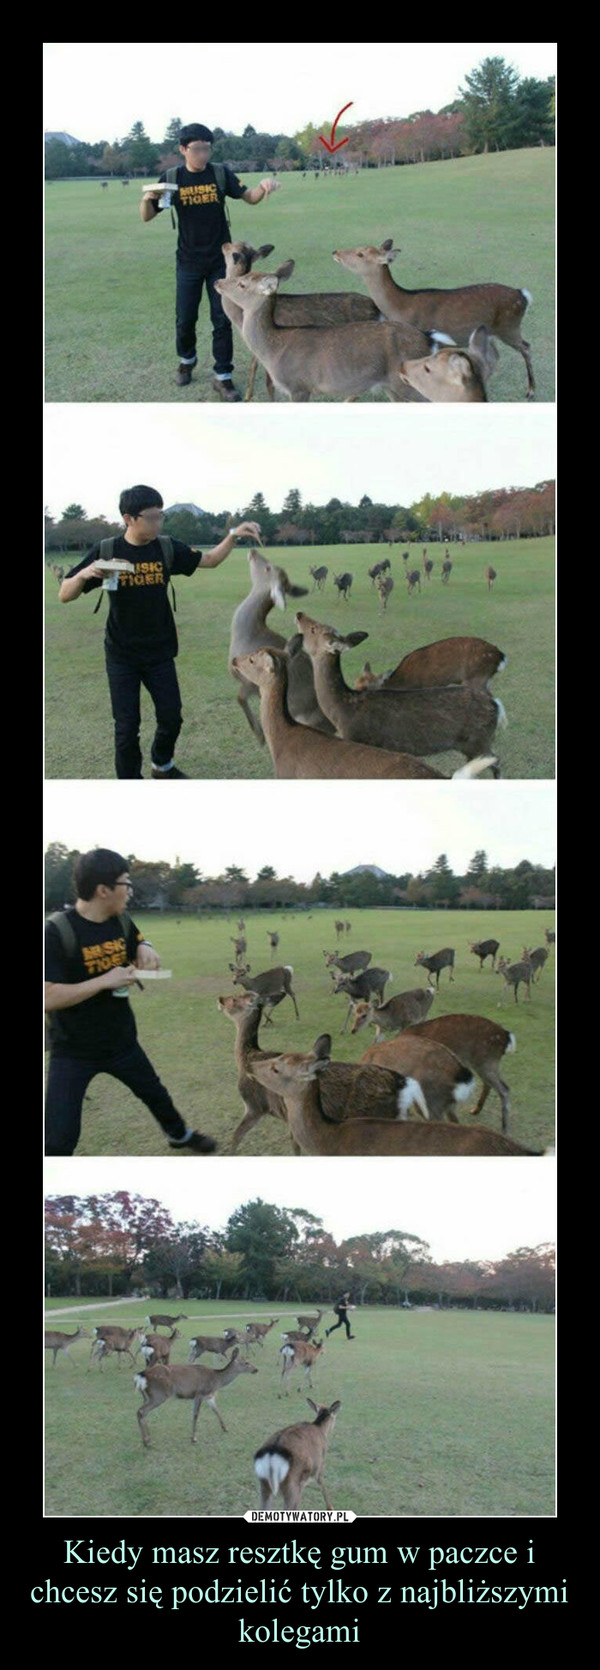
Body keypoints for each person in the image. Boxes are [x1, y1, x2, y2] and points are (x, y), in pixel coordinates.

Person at [59, 485, 260, 779]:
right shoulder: (107, 550)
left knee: (171, 717)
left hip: (160, 652)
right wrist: (86, 573)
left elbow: (210, 560)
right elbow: (65, 593)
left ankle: (161, 764)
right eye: (151, 517)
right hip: (121, 655)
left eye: (160, 516)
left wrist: (232, 535)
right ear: (129, 518)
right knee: (126, 729)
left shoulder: (166, 547)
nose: (158, 523)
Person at [45, 849, 216, 1157]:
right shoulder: (56, 932)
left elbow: (136, 940)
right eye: (126, 883)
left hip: (122, 1041)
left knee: (156, 1095)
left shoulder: (120, 920)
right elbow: (47, 995)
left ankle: (178, 1136)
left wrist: (146, 946)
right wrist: (103, 981)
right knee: (58, 1139)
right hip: (72, 1051)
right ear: (103, 890)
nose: (130, 890)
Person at [140, 123, 280, 400]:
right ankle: (187, 360)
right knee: (185, 318)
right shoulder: (171, 177)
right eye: (197, 149)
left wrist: (263, 187)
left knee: (222, 319)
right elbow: (147, 215)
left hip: (223, 263)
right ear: (183, 149)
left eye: (207, 148)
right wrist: (147, 198)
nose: (203, 154)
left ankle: (223, 376)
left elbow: (250, 198)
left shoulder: (219, 173)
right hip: (188, 262)